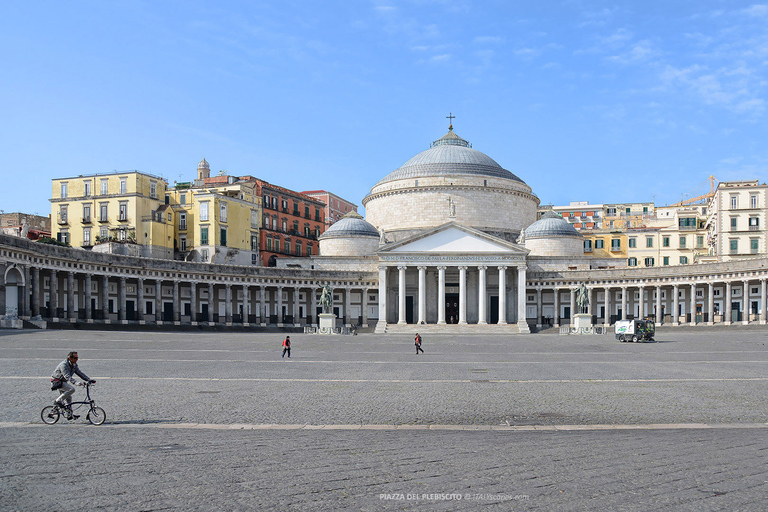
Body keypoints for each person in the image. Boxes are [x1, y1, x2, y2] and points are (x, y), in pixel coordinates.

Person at [51, 351, 94, 420]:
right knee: (71, 389)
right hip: (57, 382)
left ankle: (68, 414)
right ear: (70, 358)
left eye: (77, 358)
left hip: (63, 382)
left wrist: (89, 380)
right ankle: (57, 401)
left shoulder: (74, 365)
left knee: (68, 398)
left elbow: (79, 373)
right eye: (75, 358)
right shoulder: (64, 365)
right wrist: (76, 383)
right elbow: (67, 376)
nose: (77, 359)